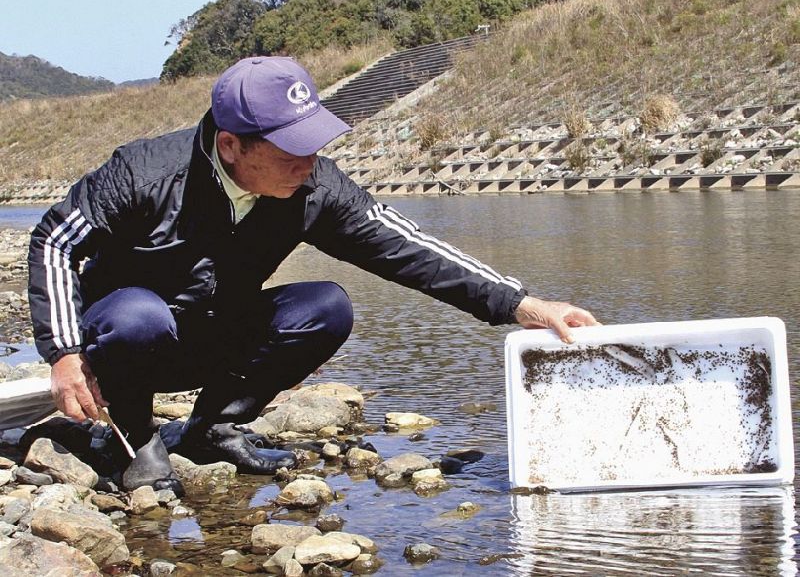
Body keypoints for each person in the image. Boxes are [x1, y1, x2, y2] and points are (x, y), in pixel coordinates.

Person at [28, 56, 599, 493]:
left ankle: (211, 429)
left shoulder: (313, 186)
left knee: (326, 305)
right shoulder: (145, 173)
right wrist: (64, 353)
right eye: (289, 152)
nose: (308, 166)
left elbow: (408, 247)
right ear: (231, 146)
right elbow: (54, 240)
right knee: (136, 315)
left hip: (210, 334)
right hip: (127, 345)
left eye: (313, 145)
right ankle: (136, 440)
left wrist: (521, 304)